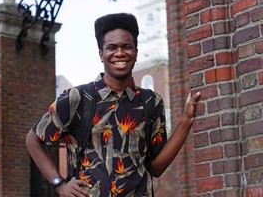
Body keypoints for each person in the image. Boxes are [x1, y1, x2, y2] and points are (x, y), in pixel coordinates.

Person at [26, 12, 200, 197]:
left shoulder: (151, 102)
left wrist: (186, 121)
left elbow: (156, 167)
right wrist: (59, 184)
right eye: (112, 47)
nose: (120, 53)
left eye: (127, 46)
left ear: (135, 52)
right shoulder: (78, 98)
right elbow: (33, 139)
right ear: (101, 54)